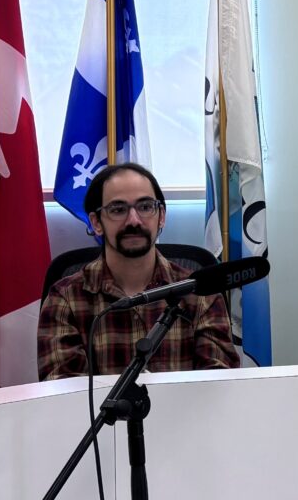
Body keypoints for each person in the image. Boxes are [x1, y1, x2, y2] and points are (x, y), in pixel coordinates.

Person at [38, 162, 241, 379]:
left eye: (145, 207)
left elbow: (218, 389)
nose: (133, 221)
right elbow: (65, 398)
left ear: (161, 216)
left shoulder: (202, 293)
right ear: (96, 222)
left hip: (187, 414)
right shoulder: (65, 298)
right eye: (118, 210)